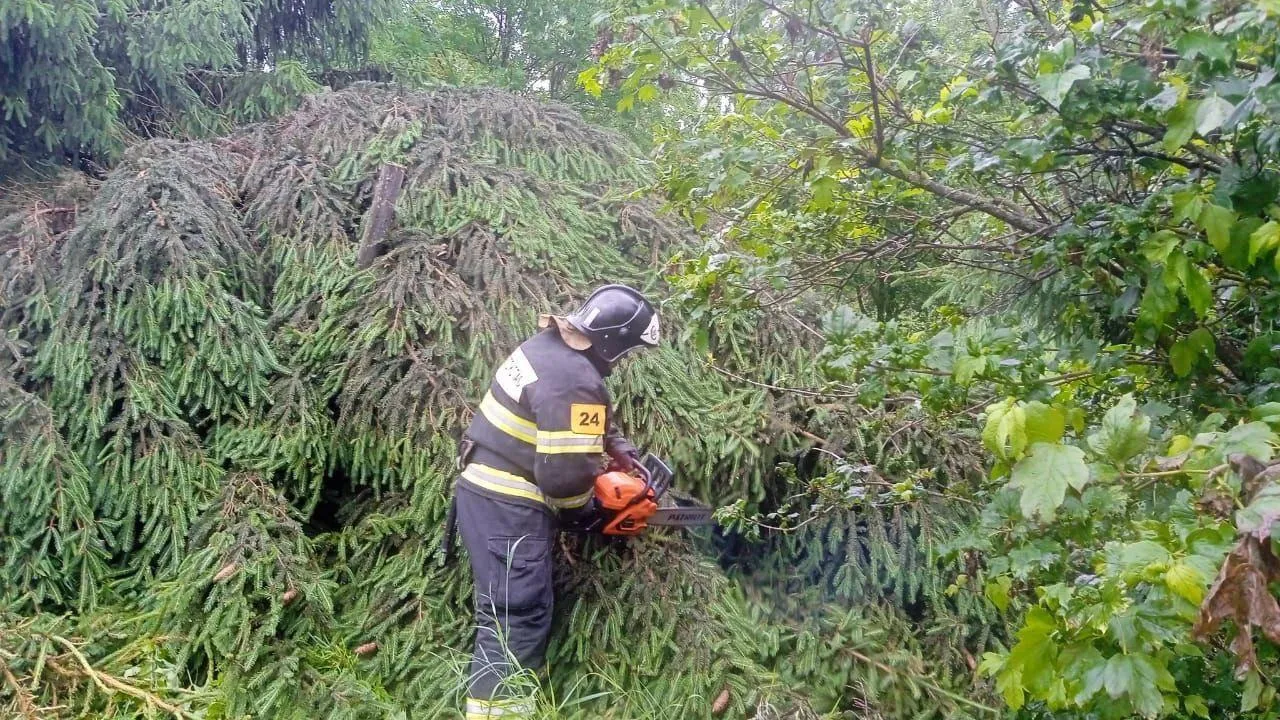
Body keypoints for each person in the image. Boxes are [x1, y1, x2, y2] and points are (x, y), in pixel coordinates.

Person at [451, 284, 660, 719]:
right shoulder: (575, 380)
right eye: (629, 350)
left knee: (507, 612)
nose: (625, 360)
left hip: (483, 491)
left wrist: (618, 448)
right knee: (516, 616)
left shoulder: (548, 348)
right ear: (615, 342)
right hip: (508, 507)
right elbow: (564, 478)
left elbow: (570, 412)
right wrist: (590, 512)